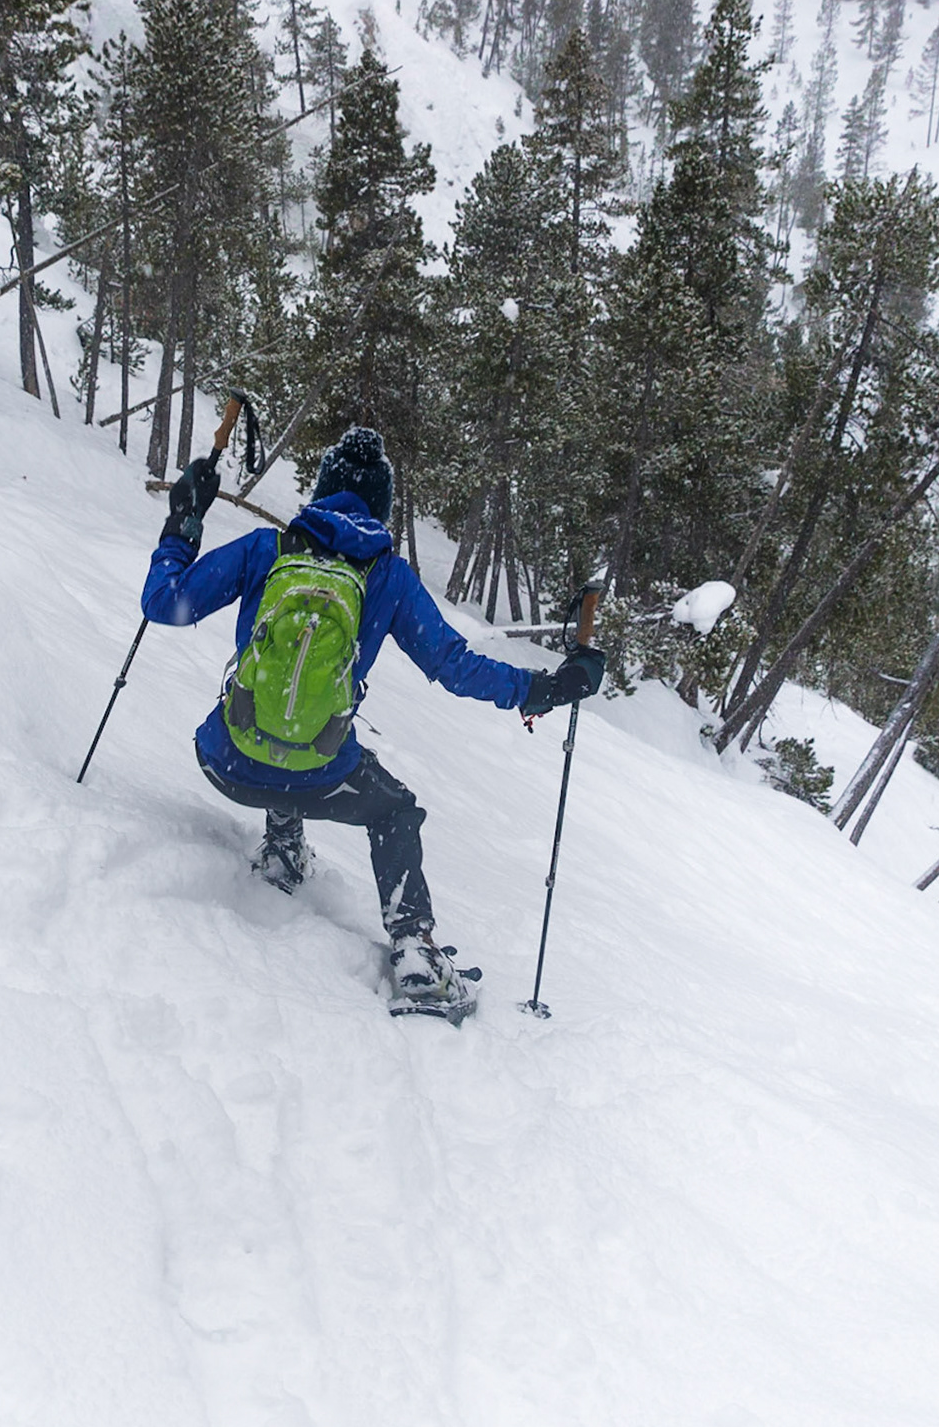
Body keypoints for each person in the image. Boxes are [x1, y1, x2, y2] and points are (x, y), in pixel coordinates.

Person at [141, 424, 601, 1014]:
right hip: (320, 777)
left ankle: (282, 848)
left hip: (224, 760)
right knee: (392, 808)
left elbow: (165, 603)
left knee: (281, 729)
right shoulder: (387, 576)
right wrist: (544, 689)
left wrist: (183, 523)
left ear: (322, 491)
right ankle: (414, 950)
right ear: (380, 505)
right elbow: (455, 667)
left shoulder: (266, 549)